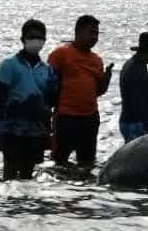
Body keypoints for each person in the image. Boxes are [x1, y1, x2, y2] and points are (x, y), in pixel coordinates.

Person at [0, 20, 58, 180]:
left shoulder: (47, 70)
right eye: (32, 37)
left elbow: (50, 102)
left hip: (36, 129)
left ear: (44, 41)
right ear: (23, 39)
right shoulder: (9, 65)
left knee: (27, 174)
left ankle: (25, 203)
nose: (36, 41)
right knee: (9, 171)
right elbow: (0, 98)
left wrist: (54, 88)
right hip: (12, 128)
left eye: (40, 37)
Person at [46, 14, 112, 169]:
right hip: (66, 117)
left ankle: (84, 191)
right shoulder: (61, 54)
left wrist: (107, 78)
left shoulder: (96, 60)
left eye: (97, 33)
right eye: (91, 32)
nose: (95, 37)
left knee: (88, 162)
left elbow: (98, 91)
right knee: (59, 161)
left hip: (90, 118)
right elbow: (47, 85)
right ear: (78, 32)